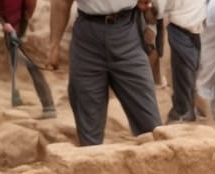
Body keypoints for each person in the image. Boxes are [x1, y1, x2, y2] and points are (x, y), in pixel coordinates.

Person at [45, 0, 162, 145]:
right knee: (89, 128)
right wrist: (54, 45)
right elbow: (61, 2)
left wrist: (151, 27)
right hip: (87, 37)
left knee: (151, 125)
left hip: (127, 31)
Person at [0, 0, 55, 117]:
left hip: (25, 26)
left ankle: (49, 107)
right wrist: (5, 25)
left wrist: (21, 31)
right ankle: (24, 100)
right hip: (11, 28)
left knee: (33, 66)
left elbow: (30, 11)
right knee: (23, 64)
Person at [157, 0, 203, 122]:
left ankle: (184, 110)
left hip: (186, 28)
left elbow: (159, 7)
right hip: (187, 28)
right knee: (187, 69)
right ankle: (184, 110)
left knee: (186, 69)